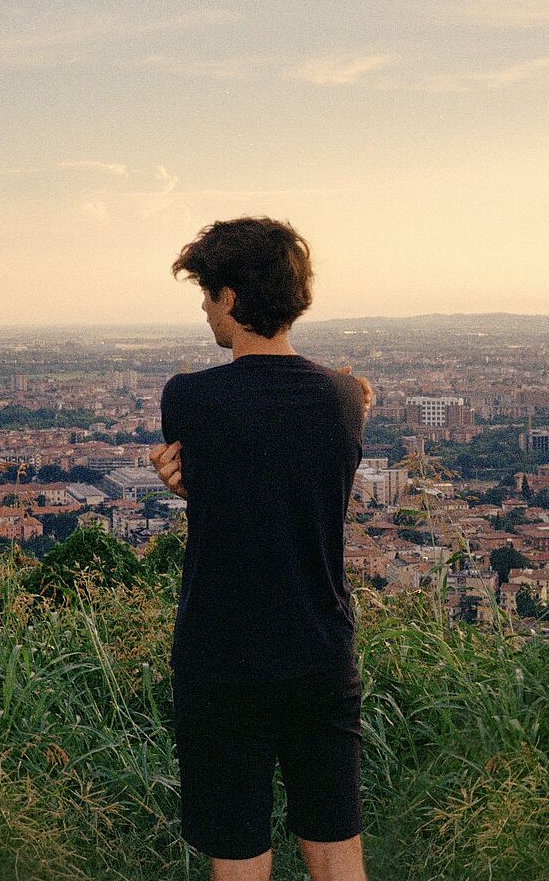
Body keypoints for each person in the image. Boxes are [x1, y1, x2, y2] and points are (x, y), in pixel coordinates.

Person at [149, 216, 374, 881]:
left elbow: (229, 480)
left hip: (222, 655)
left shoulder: (189, 397)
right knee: (337, 854)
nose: (202, 308)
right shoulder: (343, 397)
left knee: (239, 857)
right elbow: (291, 472)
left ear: (228, 297)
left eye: (205, 293)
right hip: (319, 650)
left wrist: (192, 489)